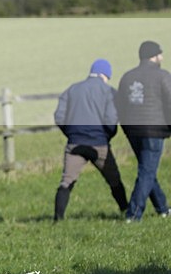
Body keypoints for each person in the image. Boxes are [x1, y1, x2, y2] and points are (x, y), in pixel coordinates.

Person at [53, 59, 128, 221]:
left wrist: (71, 133)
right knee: (114, 180)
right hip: (99, 144)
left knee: (67, 181)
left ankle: (58, 219)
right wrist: (107, 136)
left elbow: (59, 117)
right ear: (105, 75)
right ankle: (126, 212)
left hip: (75, 144)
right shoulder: (109, 92)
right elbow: (110, 120)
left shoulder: (72, 90)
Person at [116, 40, 171, 222]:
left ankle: (163, 208)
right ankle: (134, 214)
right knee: (147, 171)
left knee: (147, 169)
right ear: (153, 56)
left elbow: (120, 106)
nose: (162, 57)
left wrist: (125, 128)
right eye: (160, 54)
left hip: (132, 130)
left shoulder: (127, 77)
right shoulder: (163, 76)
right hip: (154, 130)